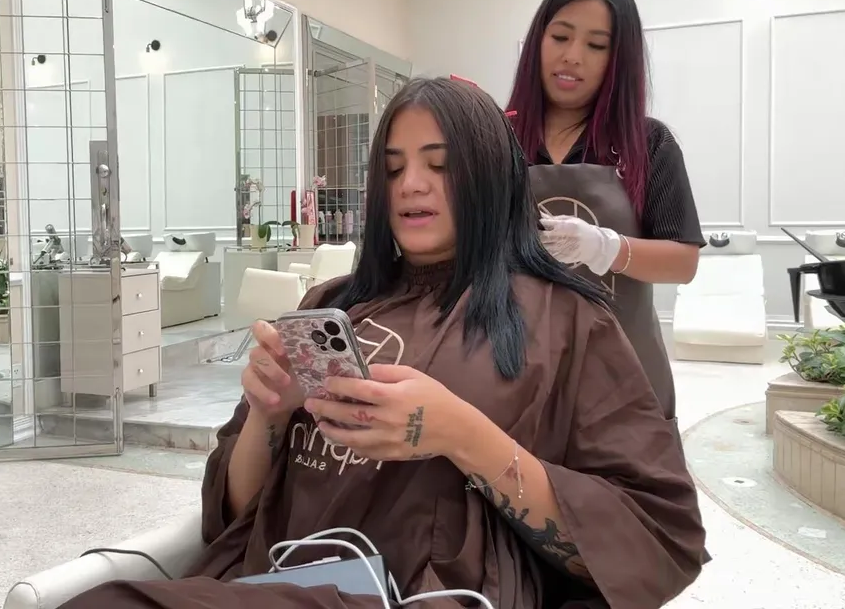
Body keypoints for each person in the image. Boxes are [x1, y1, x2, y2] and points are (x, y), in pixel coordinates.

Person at [62, 77, 705, 609]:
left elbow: (657, 535)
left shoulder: (568, 321)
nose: (410, 185)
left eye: (439, 165)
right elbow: (230, 517)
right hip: (273, 579)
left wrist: (460, 434)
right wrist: (268, 415)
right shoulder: (331, 304)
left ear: (491, 175)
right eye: (393, 168)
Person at [506, 0, 705, 421]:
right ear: (538, 41)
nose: (572, 56)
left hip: (622, 371)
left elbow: (683, 262)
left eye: (596, 45)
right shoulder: (499, 138)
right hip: (521, 364)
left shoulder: (647, 144)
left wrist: (606, 247)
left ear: (619, 59)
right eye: (560, 37)